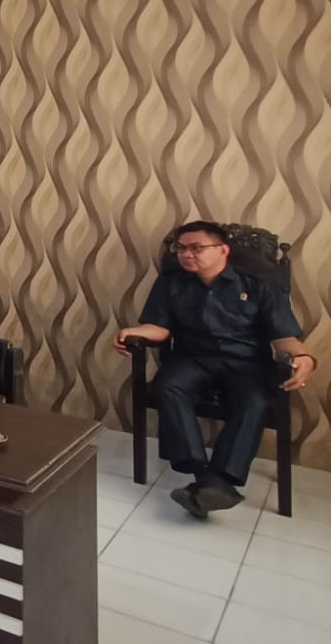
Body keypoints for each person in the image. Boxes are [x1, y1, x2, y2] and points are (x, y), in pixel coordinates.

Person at [114, 221, 313, 519]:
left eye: (197, 248)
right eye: (181, 248)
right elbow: (159, 327)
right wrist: (133, 332)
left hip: (246, 363)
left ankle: (215, 481)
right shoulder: (171, 282)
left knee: (254, 400)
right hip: (192, 359)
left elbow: (283, 336)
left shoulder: (258, 285)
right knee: (169, 386)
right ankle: (206, 477)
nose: (186, 254)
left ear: (223, 250)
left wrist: (304, 357)